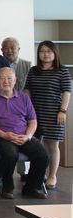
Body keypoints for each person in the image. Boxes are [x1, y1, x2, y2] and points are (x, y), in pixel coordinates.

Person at [0, 67, 49, 199]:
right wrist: (3, 134)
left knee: (43, 155)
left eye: (9, 78)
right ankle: (7, 188)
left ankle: (31, 188)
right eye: (2, 78)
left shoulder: (24, 98)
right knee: (10, 154)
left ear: (15, 80)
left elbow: (33, 121)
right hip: (0, 136)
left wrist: (28, 136)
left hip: (23, 135)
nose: (6, 81)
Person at [24, 41, 71, 190]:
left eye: (49, 51)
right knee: (37, 145)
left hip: (54, 113)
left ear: (55, 53)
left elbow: (66, 92)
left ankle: (52, 176)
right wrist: (26, 110)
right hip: (35, 113)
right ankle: (39, 175)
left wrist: (63, 110)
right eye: (42, 51)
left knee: (52, 145)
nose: (46, 54)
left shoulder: (62, 70)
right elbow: (27, 90)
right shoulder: (33, 70)